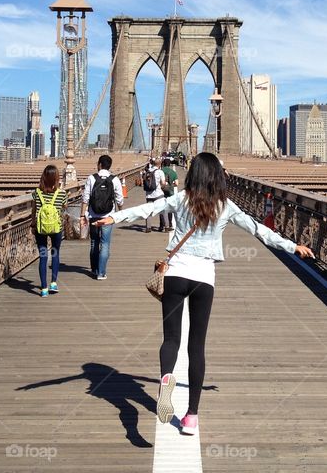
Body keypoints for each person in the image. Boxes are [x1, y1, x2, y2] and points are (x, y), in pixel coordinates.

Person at [94, 152, 314, 436]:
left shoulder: (180, 199)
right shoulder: (225, 206)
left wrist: (113, 217)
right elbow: (259, 230)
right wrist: (291, 245)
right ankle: (191, 418)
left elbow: (146, 210)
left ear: (193, 174)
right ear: (216, 176)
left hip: (175, 273)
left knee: (171, 338)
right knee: (196, 347)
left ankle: (166, 379)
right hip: (203, 279)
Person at [81, 154, 124, 280]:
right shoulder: (114, 179)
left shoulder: (91, 178)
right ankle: (101, 273)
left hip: (93, 215)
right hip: (108, 216)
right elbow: (119, 199)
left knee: (94, 242)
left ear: (99, 164)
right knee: (105, 244)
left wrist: (82, 215)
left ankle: (94, 270)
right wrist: (121, 214)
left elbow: (85, 198)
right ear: (110, 166)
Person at [31, 164, 68, 297]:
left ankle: (44, 288)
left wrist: (33, 224)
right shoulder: (62, 194)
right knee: (55, 253)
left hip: (40, 229)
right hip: (56, 228)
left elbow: (34, 210)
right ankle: (53, 283)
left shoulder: (36, 193)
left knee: (43, 256)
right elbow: (64, 207)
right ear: (57, 178)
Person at [140, 157, 166, 233]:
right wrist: (162, 186)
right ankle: (164, 227)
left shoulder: (147, 171)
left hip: (149, 195)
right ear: (160, 164)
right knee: (162, 210)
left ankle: (148, 228)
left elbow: (143, 182)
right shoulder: (160, 172)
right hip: (158, 194)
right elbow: (163, 183)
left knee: (148, 211)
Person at [159, 156, 178, 232]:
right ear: (170, 164)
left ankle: (162, 225)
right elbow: (176, 184)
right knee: (169, 209)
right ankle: (170, 224)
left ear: (163, 164)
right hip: (170, 192)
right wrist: (170, 185)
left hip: (160, 192)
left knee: (161, 209)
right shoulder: (173, 172)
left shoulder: (160, 171)